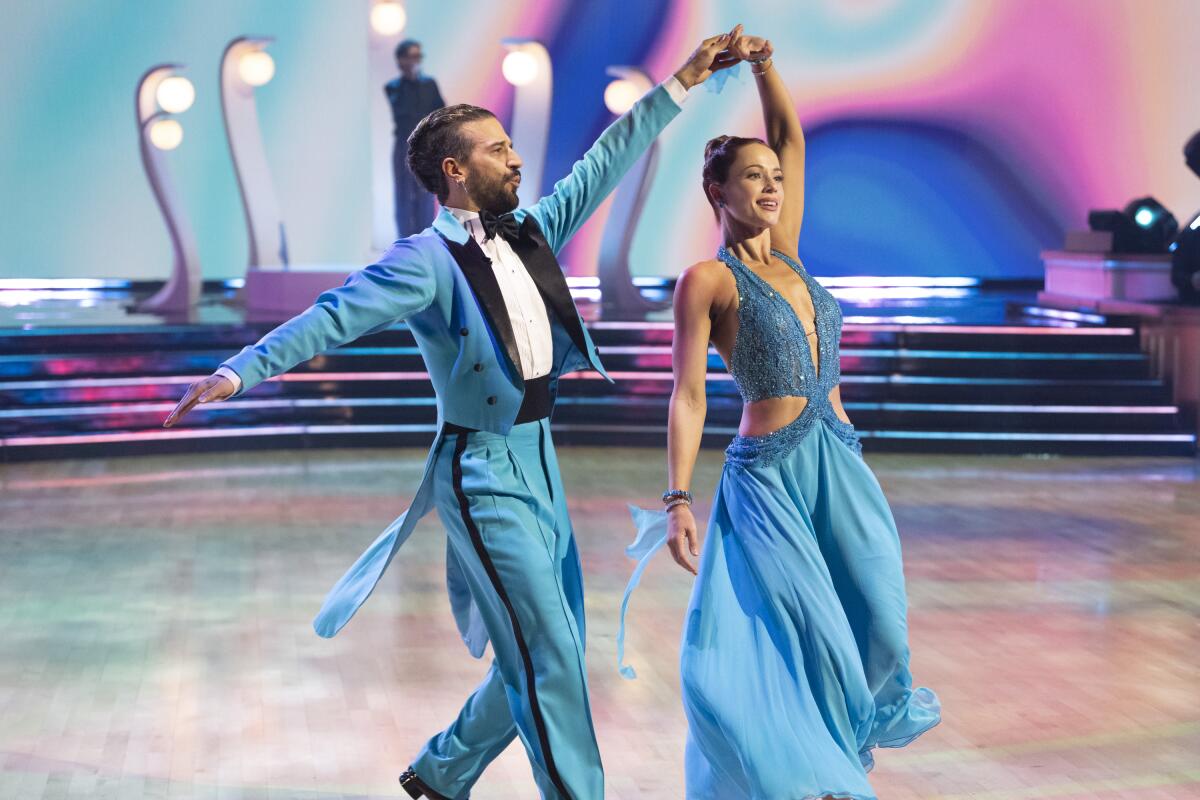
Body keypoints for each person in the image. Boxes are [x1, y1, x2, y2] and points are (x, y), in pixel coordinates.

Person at [164, 30, 743, 800]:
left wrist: (686, 78)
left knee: (546, 647)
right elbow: (332, 316)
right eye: (498, 150)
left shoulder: (533, 228)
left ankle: (440, 771)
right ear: (455, 169)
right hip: (480, 470)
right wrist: (239, 372)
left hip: (540, 460)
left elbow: (607, 158)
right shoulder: (423, 261)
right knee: (550, 658)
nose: (515, 160)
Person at [619, 29, 940, 800]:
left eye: (775, 177)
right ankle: (812, 779)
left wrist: (765, 66)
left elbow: (791, 134)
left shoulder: (791, 253)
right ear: (717, 194)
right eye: (752, 177)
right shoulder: (707, 280)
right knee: (812, 636)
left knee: (879, 620)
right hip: (769, 481)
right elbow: (688, 394)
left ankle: (828, 763)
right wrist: (677, 500)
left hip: (841, 461)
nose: (770, 186)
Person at [387, 39, 445, 237]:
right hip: (403, 145)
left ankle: (425, 240)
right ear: (401, 60)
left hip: (425, 146)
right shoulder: (394, 88)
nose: (415, 61)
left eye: (418, 57)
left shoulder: (429, 85)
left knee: (426, 193)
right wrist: (411, 80)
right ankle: (404, 242)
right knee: (403, 195)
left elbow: (440, 113)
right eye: (411, 57)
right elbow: (403, 113)